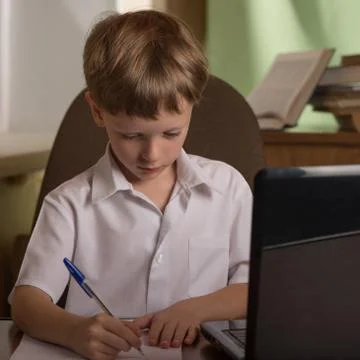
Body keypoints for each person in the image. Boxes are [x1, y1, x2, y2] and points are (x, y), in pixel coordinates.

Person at [10, 9, 252, 360]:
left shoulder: (228, 188)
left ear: (191, 109)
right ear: (97, 111)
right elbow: (26, 302)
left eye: (171, 133)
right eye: (131, 135)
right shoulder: (69, 204)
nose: (152, 155)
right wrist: (75, 330)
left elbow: (253, 290)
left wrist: (196, 309)